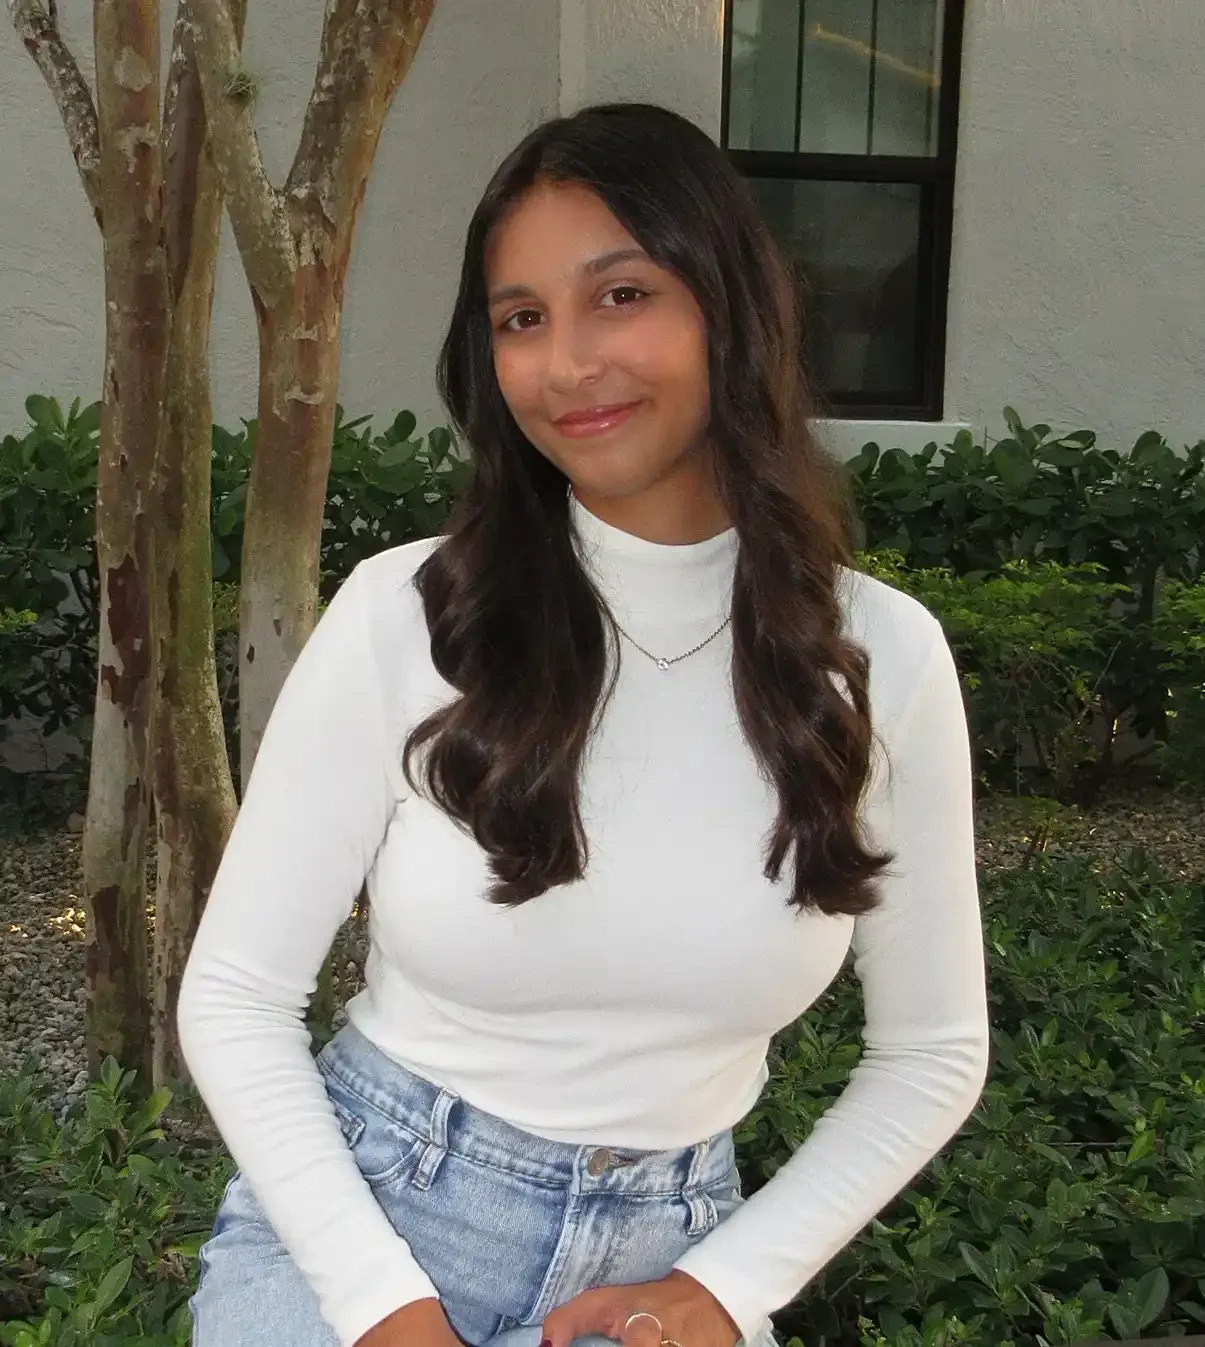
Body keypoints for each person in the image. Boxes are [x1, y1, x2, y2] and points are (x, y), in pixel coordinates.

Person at [178, 101, 990, 1347]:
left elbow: (930, 1050)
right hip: (369, 1218)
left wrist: (727, 1287)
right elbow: (234, 995)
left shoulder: (877, 661)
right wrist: (382, 1309)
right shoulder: (412, 617)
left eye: (620, 296)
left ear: (732, 304)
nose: (564, 365)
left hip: (671, 1258)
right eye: (521, 319)